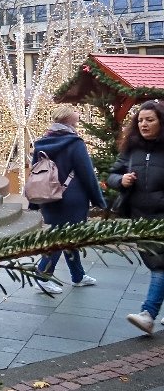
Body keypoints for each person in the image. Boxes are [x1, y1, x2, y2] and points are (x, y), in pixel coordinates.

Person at [29, 105, 106, 294]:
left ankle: (78, 276)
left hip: (48, 197)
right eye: (76, 121)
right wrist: (99, 200)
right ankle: (42, 275)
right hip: (72, 198)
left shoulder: (41, 142)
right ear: (70, 122)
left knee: (66, 236)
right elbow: (87, 174)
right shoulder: (75, 143)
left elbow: (34, 174)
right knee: (62, 237)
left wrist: (34, 201)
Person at [107, 100, 164, 335]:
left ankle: (148, 314)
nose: (144, 124)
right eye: (140, 120)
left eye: (150, 120)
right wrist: (121, 180)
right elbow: (112, 174)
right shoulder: (131, 148)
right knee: (156, 262)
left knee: (160, 265)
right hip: (140, 216)